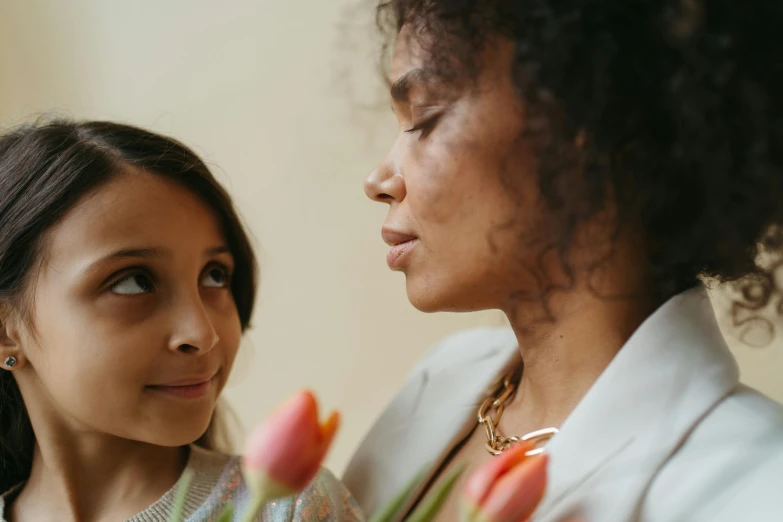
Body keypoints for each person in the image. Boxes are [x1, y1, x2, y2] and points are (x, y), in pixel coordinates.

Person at [344, 1, 783, 521]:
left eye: (424, 118)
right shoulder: (437, 383)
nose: (379, 181)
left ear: (582, 121)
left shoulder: (754, 488)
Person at [0, 120, 361, 522]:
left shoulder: (290, 509)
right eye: (135, 282)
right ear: (4, 332)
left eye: (214, 275)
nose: (202, 334)